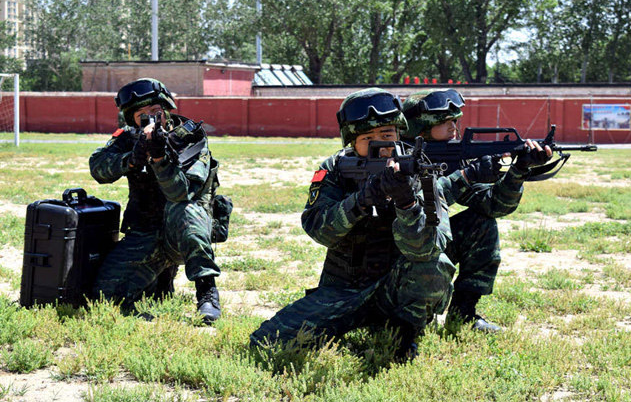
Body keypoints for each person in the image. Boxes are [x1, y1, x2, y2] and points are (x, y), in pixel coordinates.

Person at [250, 88, 502, 359]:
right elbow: (318, 229)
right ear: (351, 141)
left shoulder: (418, 168)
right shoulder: (335, 169)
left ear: (399, 134)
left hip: (398, 289)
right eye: (368, 138)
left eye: (387, 136)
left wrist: (406, 203)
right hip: (344, 289)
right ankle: (359, 323)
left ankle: (405, 333)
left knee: (433, 264)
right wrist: (360, 201)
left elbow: (428, 248)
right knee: (266, 342)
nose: (381, 145)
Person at [401, 88, 552, 332]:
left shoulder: (453, 157)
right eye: (445, 121)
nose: (454, 127)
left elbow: (493, 205)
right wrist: (465, 176)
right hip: (397, 253)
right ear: (420, 127)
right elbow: (419, 203)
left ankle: (463, 314)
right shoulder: (397, 159)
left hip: (428, 246)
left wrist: (518, 171)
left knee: (482, 223)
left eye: (455, 120)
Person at [89, 78, 222, 323]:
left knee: (185, 210)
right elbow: (97, 168)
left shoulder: (189, 137)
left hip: (183, 232)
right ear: (132, 119)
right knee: (104, 297)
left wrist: (160, 160)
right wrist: (132, 158)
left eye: (155, 112)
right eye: (142, 115)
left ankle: (207, 291)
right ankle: (159, 280)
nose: (150, 119)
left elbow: (181, 193)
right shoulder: (129, 139)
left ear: (166, 109)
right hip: (146, 230)